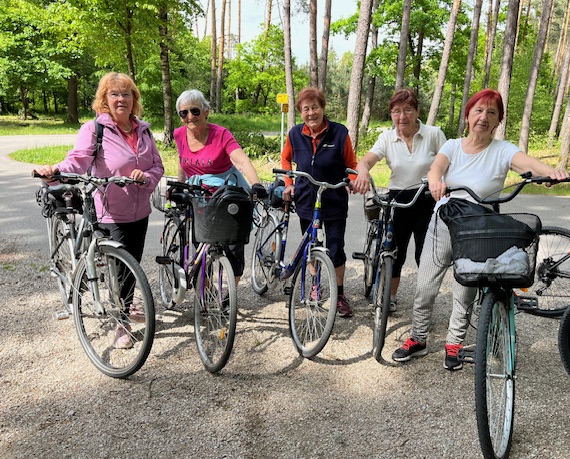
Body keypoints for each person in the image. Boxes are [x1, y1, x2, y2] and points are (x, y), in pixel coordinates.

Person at [391, 88, 570, 369]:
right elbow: (436, 168)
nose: (483, 117)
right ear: (468, 116)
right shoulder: (452, 145)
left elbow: (527, 163)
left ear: (498, 120)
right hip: (444, 222)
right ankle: (418, 338)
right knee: (425, 286)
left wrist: (551, 172)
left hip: (478, 230)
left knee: (465, 291)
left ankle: (454, 343)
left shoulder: (503, 150)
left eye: (491, 112)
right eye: (478, 110)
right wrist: (435, 180)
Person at [35, 72, 164, 349]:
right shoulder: (95, 129)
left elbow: (157, 165)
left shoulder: (143, 130)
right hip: (109, 210)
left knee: (132, 266)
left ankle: (125, 306)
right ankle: (121, 323)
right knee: (119, 268)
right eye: (114, 94)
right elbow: (78, 160)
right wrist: (55, 170)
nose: (121, 99)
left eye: (126, 94)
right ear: (105, 99)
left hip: (139, 210)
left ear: (134, 99)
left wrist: (147, 177)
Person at [353, 88, 446, 313]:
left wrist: (443, 184)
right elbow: (366, 161)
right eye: (396, 111)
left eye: (407, 110)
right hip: (397, 199)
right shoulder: (387, 137)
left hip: (427, 198)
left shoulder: (434, 134)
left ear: (417, 112)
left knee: (426, 254)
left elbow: (449, 162)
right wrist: (362, 171)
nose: (402, 116)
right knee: (394, 251)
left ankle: (424, 304)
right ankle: (390, 296)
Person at [174, 89, 266, 284]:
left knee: (233, 247)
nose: (190, 116)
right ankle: (205, 292)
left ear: (206, 111)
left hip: (226, 196)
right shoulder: (179, 134)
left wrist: (256, 184)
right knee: (200, 247)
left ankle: (229, 294)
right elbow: (182, 161)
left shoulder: (221, 134)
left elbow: (241, 161)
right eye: (184, 113)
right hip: (199, 197)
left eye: (195, 111)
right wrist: (180, 185)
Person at [281, 87, 358, 317]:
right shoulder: (295, 134)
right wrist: (289, 183)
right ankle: (315, 286)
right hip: (306, 197)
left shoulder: (339, 133)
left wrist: (352, 180)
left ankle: (339, 294)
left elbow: (351, 164)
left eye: (315, 107)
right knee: (310, 246)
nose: (311, 113)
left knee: (336, 249)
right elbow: (285, 159)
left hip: (334, 198)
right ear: (301, 112)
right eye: (306, 109)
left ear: (323, 108)